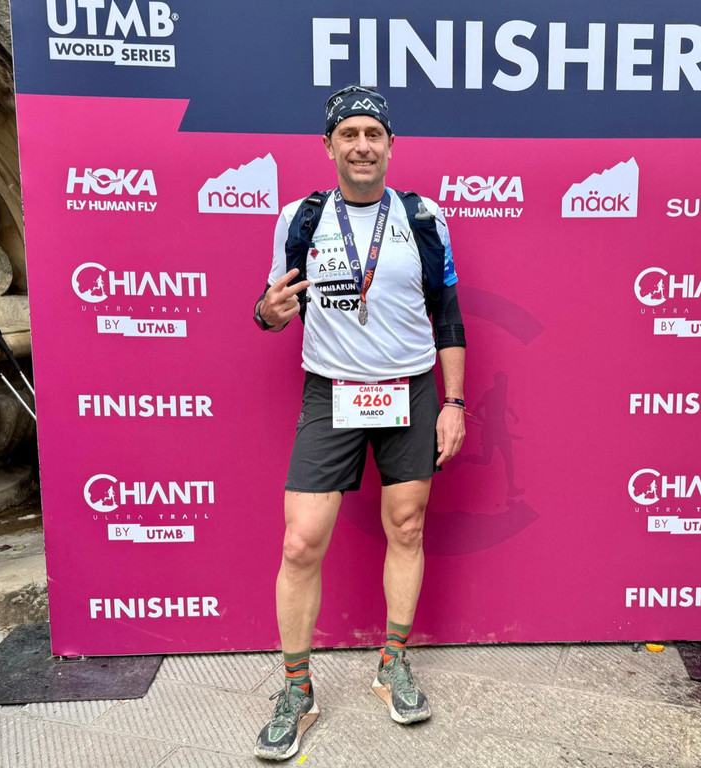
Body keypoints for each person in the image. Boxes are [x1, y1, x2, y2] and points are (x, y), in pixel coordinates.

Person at [252, 85, 466, 761]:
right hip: (331, 392)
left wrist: (454, 403)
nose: (362, 146)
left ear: (391, 146)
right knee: (299, 543)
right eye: (349, 134)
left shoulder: (425, 217)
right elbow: (271, 305)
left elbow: (447, 316)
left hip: (410, 391)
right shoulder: (301, 217)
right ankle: (297, 691)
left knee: (406, 526)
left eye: (373, 134)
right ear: (328, 147)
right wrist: (266, 314)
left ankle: (392, 663)